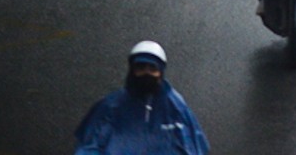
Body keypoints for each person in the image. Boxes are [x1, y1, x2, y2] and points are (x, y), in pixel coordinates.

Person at [71, 41, 209, 155]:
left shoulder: (176, 107)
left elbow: (194, 148)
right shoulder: (111, 106)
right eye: (141, 67)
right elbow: (89, 147)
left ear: (161, 72)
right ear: (132, 70)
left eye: (152, 68)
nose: (146, 73)